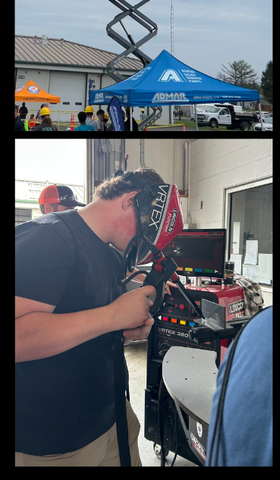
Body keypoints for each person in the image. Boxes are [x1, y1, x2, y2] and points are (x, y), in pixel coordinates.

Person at [15, 170, 166, 465]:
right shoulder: (48, 236)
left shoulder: (109, 256)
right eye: (148, 230)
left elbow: (83, 322)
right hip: (56, 442)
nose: (145, 242)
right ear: (131, 201)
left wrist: (121, 330)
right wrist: (112, 316)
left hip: (112, 419)